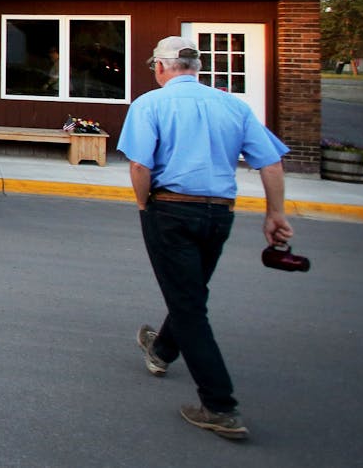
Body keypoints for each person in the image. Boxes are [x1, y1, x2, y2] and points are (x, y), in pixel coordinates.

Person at [117, 35, 293, 441]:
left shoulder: (149, 104)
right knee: (191, 292)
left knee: (188, 305)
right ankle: (160, 350)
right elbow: (270, 162)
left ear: (160, 68)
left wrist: (145, 206)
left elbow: (140, 165)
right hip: (219, 212)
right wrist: (275, 213)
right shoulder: (233, 105)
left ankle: (219, 406)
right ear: (197, 69)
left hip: (171, 208)